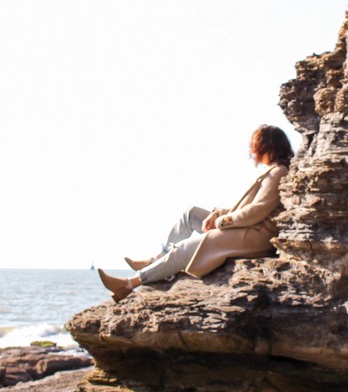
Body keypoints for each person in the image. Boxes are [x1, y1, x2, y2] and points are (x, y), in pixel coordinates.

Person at [98, 125, 294, 302]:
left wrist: (221, 222)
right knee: (191, 214)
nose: (251, 150)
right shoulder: (273, 171)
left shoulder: (278, 172)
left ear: (266, 145)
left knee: (184, 248)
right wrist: (217, 213)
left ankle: (129, 284)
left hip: (253, 236)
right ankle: (156, 259)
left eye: (254, 144)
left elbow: (257, 210)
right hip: (245, 228)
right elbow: (245, 206)